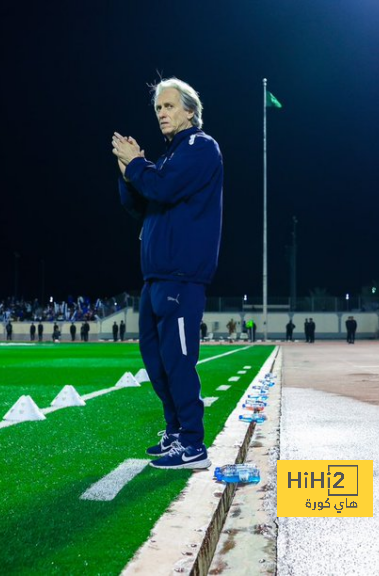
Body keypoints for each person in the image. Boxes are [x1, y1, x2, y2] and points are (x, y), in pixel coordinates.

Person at [113, 77, 223, 470]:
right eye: (158, 107)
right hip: (156, 276)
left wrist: (139, 166)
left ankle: (193, 444)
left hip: (181, 276)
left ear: (190, 111)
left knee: (177, 359)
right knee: (155, 361)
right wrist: (128, 170)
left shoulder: (200, 147)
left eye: (169, 106)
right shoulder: (168, 158)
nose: (161, 113)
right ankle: (176, 431)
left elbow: (162, 188)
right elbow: (140, 204)